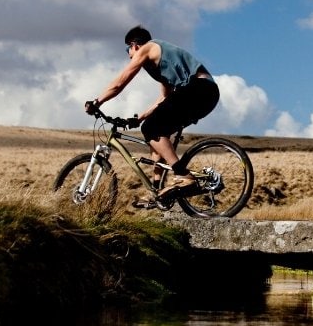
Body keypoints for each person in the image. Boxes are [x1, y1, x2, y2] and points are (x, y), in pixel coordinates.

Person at [85, 26, 219, 202]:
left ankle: (183, 176)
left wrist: (97, 102)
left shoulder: (148, 47)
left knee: (151, 128)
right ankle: (156, 188)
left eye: (128, 49)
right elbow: (164, 98)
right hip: (205, 94)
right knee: (156, 135)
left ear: (135, 45)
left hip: (198, 89)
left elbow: (120, 82)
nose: (129, 55)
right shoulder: (160, 67)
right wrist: (139, 118)